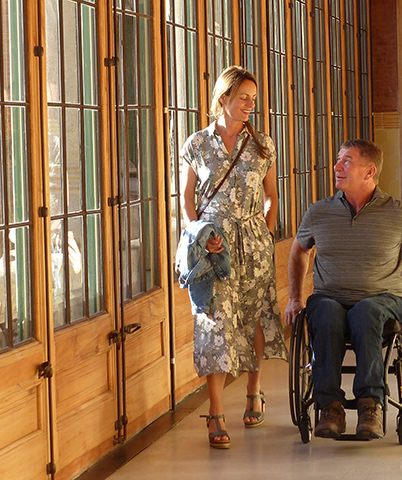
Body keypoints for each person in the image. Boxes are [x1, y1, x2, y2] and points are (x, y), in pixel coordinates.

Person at [284, 139, 402, 440]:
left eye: (346, 161)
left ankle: (371, 404)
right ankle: (329, 406)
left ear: (369, 171)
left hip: (381, 301)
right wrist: (294, 297)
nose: (337, 166)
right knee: (326, 312)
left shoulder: (398, 212)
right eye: (338, 159)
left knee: (366, 312)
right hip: (330, 298)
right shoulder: (319, 212)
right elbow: (298, 252)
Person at [178, 66, 287, 449]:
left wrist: (267, 232)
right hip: (214, 245)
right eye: (243, 97)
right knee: (214, 322)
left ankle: (254, 391)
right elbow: (186, 201)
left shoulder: (263, 145)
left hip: (255, 242)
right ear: (223, 97)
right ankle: (216, 412)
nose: (249, 105)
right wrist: (200, 234)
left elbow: (272, 195)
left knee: (255, 315)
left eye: (253, 99)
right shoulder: (196, 144)